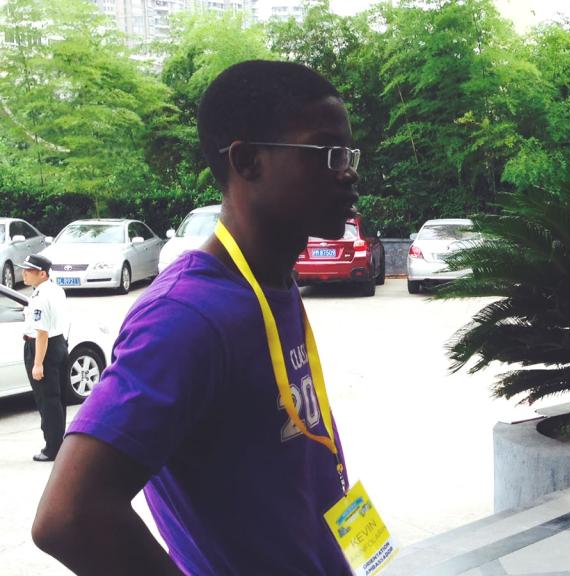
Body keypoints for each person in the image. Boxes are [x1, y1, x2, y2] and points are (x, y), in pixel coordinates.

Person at [33, 60, 361, 575]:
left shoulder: (274, 280)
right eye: (328, 153)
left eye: (349, 154)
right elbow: (69, 517)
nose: (348, 172)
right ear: (248, 160)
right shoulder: (185, 318)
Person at [18, 253, 68, 463]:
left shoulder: (40, 297)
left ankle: (52, 449)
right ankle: (60, 444)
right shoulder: (56, 290)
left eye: (29, 271)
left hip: (42, 348)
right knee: (58, 400)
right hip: (59, 345)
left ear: (42, 273)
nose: (24, 274)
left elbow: (41, 333)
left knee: (47, 401)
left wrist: (37, 363)